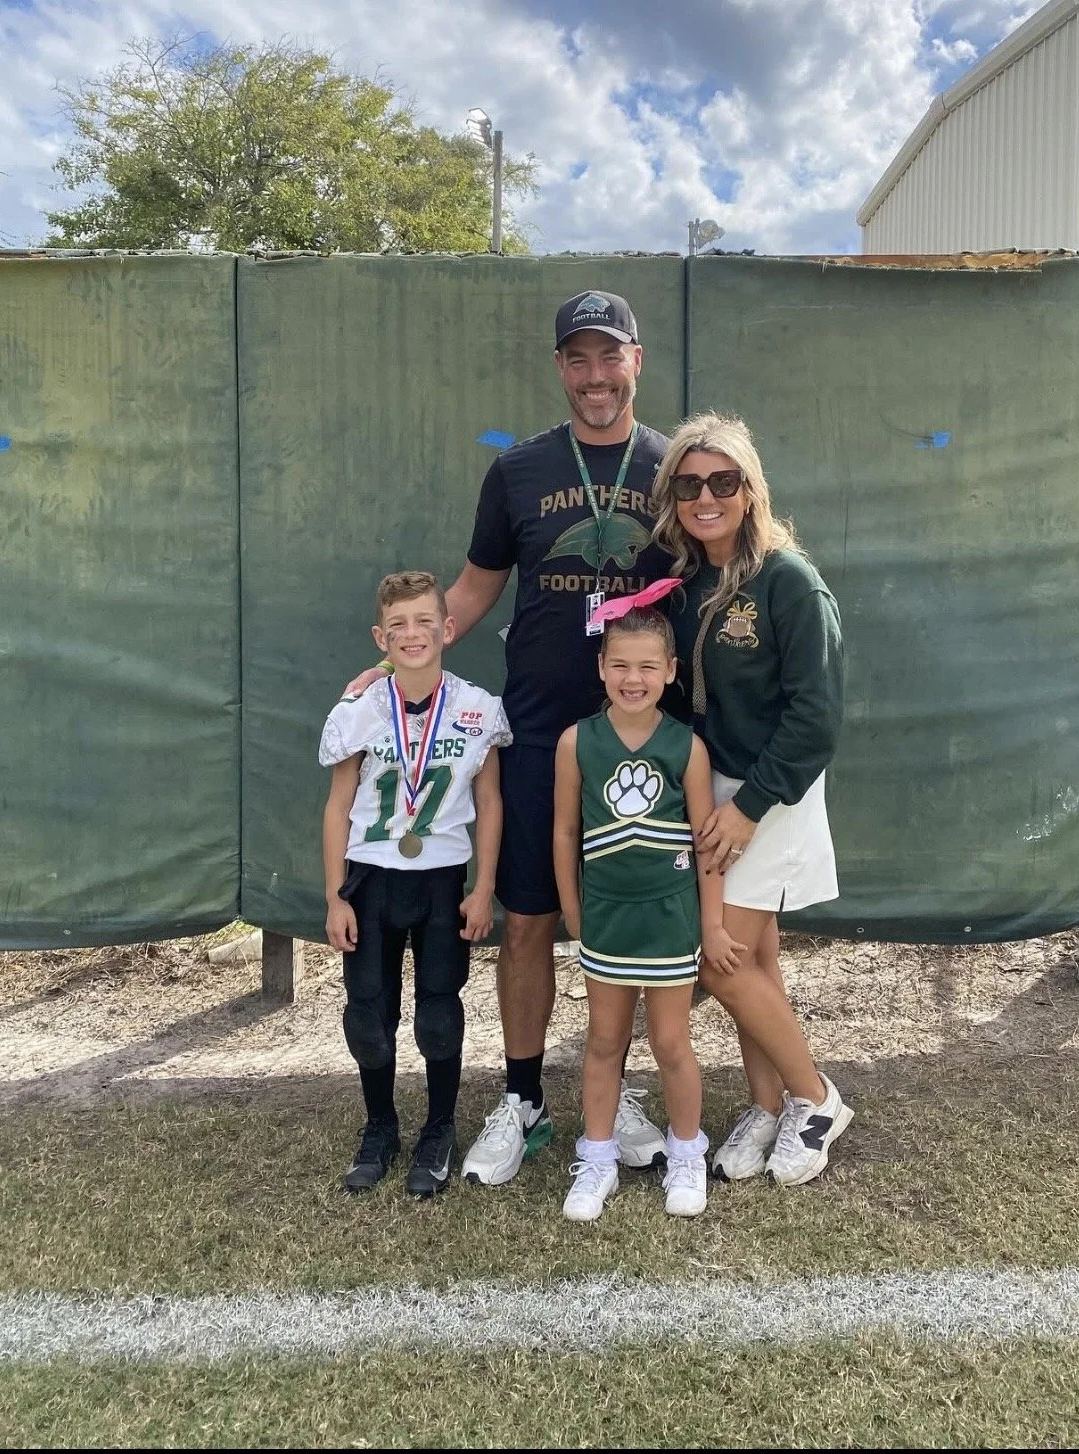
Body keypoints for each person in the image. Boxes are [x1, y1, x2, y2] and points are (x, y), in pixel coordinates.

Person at [346, 291, 672, 1185]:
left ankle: (617, 1091)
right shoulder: (519, 470)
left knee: (625, 921)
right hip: (533, 735)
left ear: (636, 362)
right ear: (560, 367)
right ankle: (523, 1099)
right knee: (527, 922)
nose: (597, 376)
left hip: (639, 741)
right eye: (579, 358)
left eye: (611, 357)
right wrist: (397, 660)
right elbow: (473, 589)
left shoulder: (672, 467)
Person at [655, 413, 853, 1186]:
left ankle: (817, 1100)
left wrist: (747, 807)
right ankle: (767, 1107)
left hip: (770, 794)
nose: (706, 497)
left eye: (723, 481)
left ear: (750, 489)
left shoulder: (789, 580)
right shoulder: (685, 581)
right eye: (690, 484)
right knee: (757, 957)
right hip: (714, 790)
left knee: (721, 960)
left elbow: (816, 718)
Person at [552, 598, 743, 1221]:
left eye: (647, 667)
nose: (632, 679)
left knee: (670, 1042)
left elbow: (706, 843)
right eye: (620, 665)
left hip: (669, 919)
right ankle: (597, 1158)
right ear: (600, 667)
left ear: (670, 671)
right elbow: (564, 834)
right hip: (606, 917)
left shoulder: (687, 747)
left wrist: (711, 924)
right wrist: (573, 913)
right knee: (604, 1040)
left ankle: (687, 1153)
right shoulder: (576, 742)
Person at [321, 571, 510, 1197]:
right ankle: (380, 1125)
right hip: (371, 877)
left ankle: (438, 1128)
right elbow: (338, 806)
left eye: (425, 621)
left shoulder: (478, 709)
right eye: (398, 625)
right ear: (381, 637)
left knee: (438, 1014)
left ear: (447, 629)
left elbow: (490, 801)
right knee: (367, 1014)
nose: (413, 634)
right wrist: (334, 896)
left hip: (441, 880)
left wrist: (483, 887)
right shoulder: (359, 710)